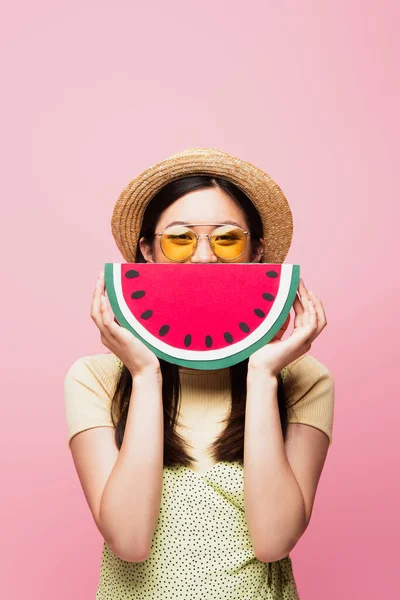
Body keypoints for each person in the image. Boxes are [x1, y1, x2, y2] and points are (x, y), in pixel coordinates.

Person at [64, 147, 335, 599]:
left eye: (228, 239)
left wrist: (265, 375)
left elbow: (273, 541)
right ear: (147, 252)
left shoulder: (303, 379)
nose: (205, 259)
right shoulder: (95, 379)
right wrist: (146, 375)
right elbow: (129, 541)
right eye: (180, 240)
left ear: (257, 253)